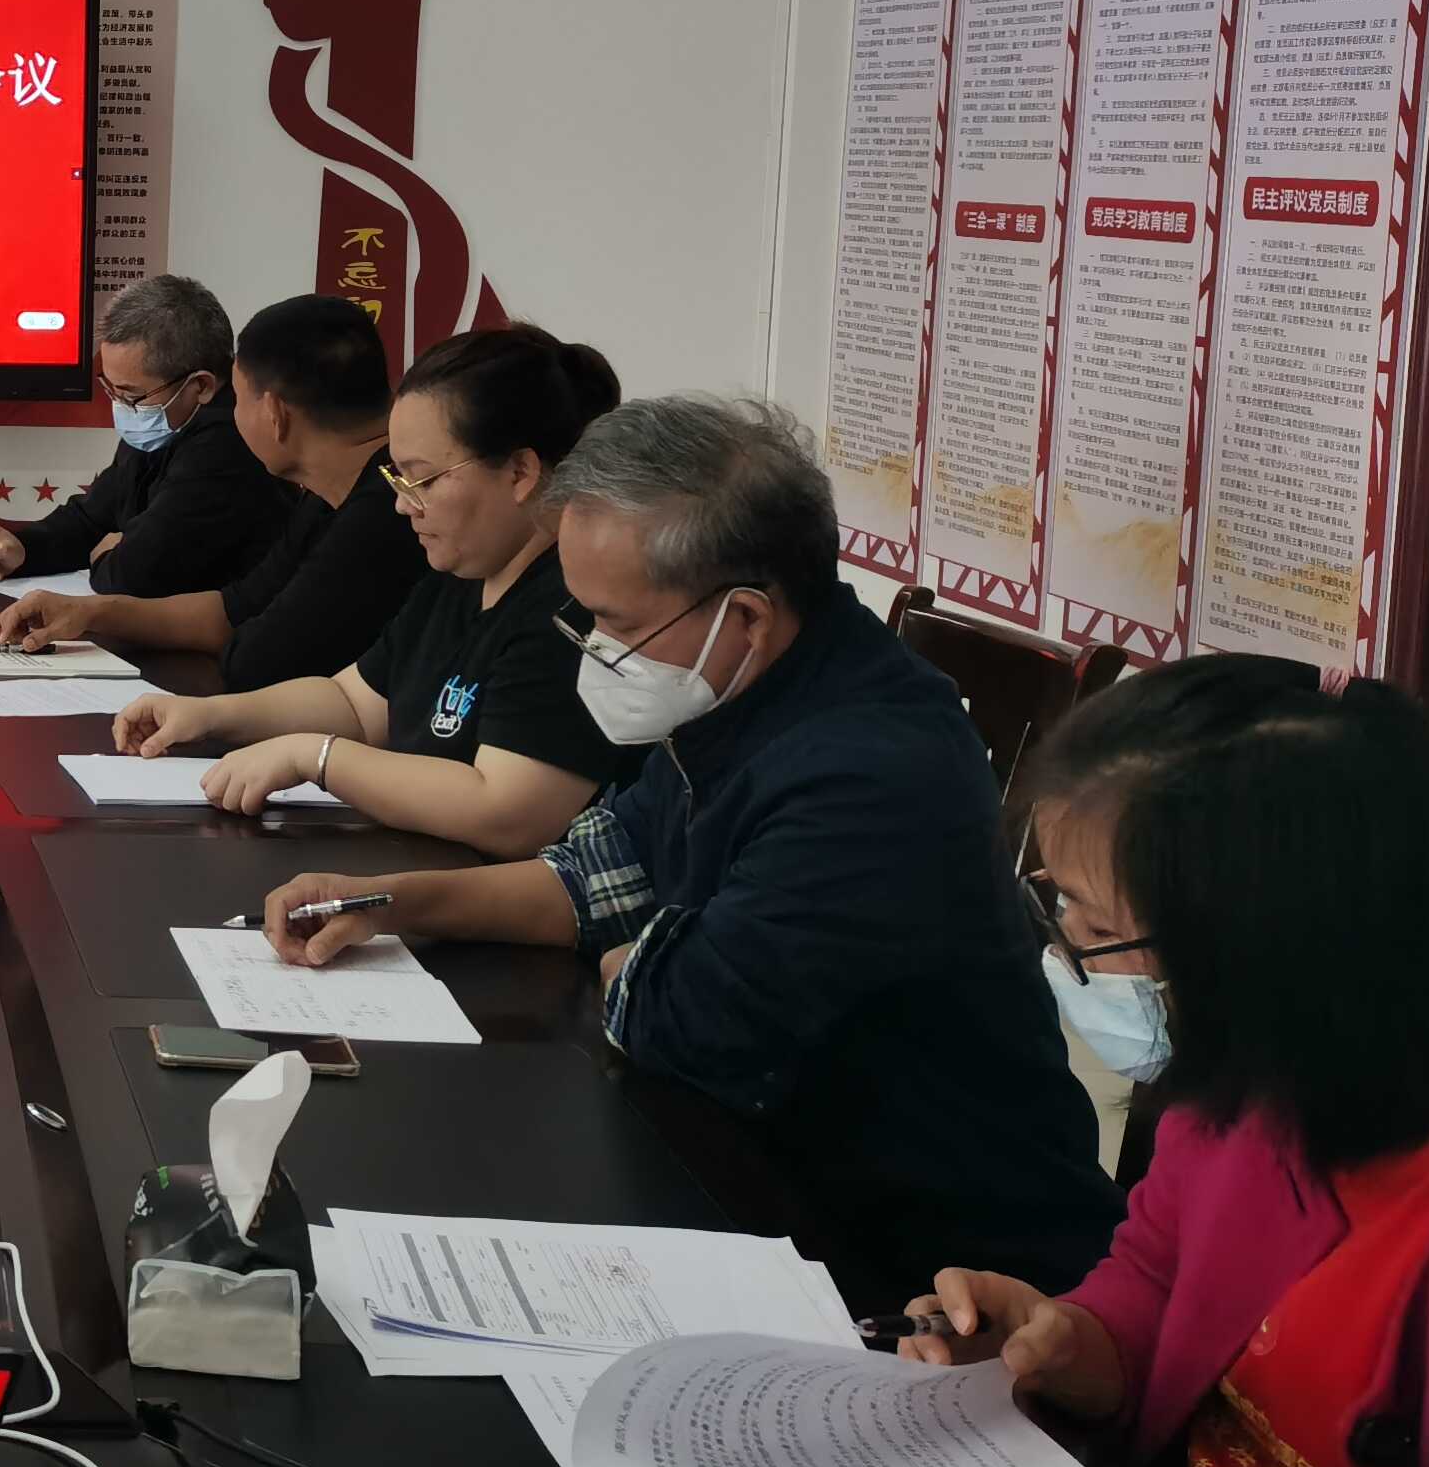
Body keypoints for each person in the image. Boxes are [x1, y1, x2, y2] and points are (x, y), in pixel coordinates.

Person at [271, 394, 1120, 1293]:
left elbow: (681, 1021)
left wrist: (642, 959)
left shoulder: (869, 768)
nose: (595, 651)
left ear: (744, 616)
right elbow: (595, 878)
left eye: (617, 625)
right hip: (751, 1165)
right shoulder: (745, 686)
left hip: (930, 1264)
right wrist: (392, 902)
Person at [898, 659, 1429, 1467]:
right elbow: (1159, 1281)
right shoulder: (1257, 1091)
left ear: (1261, 950)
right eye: (1058, 904)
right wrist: (1066, 1343)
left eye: (1097, 926)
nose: (1066, 953)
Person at [114, 322, 627, 856]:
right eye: (397, 479)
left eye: (422, 480)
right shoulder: (460, 578)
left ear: (520, 471)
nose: (403, 504)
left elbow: (506, 811)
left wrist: (316, 758)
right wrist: (211, 716)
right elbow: (354, 702)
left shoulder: (575, 607)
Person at [0, 293, 422, 687]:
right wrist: (89, 612)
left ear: (274, 414)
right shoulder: (330, 498)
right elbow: (233, 609)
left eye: (237, 397)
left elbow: (255, 658)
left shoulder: (385, 513)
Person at [0, 274, 301, 600]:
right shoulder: (161, 422)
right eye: (111, 389)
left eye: (130, 395)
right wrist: (23, 549)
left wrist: (107, 555)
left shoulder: (229, 444)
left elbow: (135, 575)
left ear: (200, 386)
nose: (120, 406)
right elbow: (92, 518)